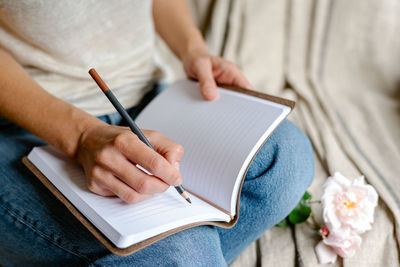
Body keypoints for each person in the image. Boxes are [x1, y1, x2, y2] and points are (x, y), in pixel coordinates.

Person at [0, 0, 314, 266]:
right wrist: (82, 135)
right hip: (28, 122)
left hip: (152, 98)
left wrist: (193, 49)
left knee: (287, 158)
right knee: (184, 252)